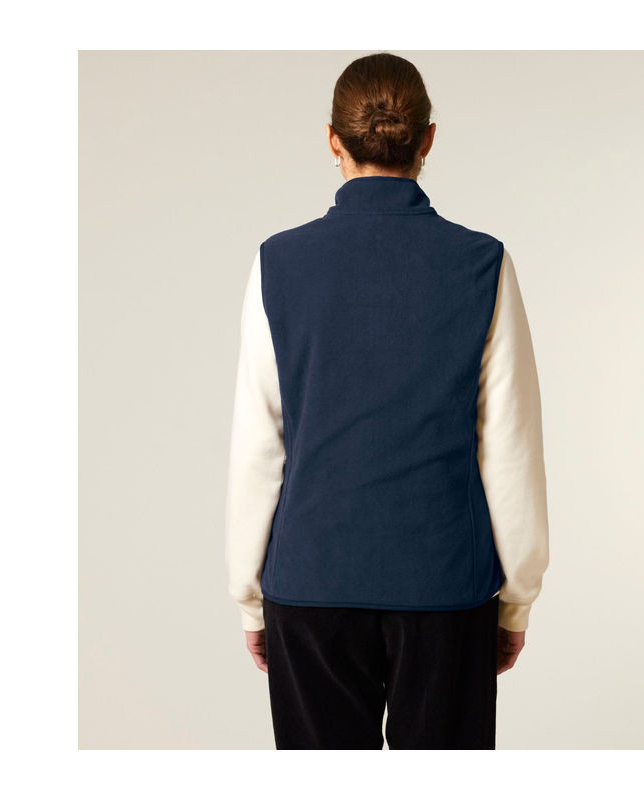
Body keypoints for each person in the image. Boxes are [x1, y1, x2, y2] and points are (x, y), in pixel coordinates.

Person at [225, 52, 549, 750]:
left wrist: (250, 597)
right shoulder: (482, 263)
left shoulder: (278, 262)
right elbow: (510, 447)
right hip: (446, 587)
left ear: (332, 140)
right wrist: (517, 598)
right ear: (428, 139)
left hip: (311, 582)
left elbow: (259, 443)